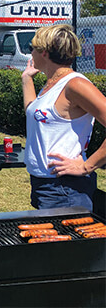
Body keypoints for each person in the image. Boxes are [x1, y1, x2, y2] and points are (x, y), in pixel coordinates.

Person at [22, 24, 106, 211]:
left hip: (65, 188)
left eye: (32, 49)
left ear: (43, 52)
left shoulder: (75, 85)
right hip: (44, 185)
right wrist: (27, 79)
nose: (31, 55)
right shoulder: (51, 84)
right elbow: (33, 112)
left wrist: (87, 167)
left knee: (66, 240)